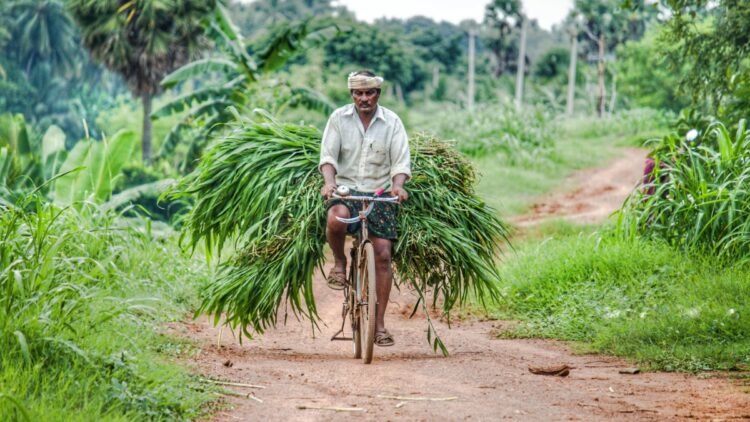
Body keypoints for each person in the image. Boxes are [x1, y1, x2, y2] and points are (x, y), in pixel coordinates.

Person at [318, 70, 411, 347]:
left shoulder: (392, 122)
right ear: (352, 95)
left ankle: (379, 326)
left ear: (377, 94)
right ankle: (339, 262)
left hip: (379, 193)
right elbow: (328, 157)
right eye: (358, 93)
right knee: (336, 219)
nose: (364, 98)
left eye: (369, 93)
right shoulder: (338, 118)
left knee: (382, 254)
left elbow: (400, 162)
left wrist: (398, 185)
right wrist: (330, 183)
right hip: (346, 190)